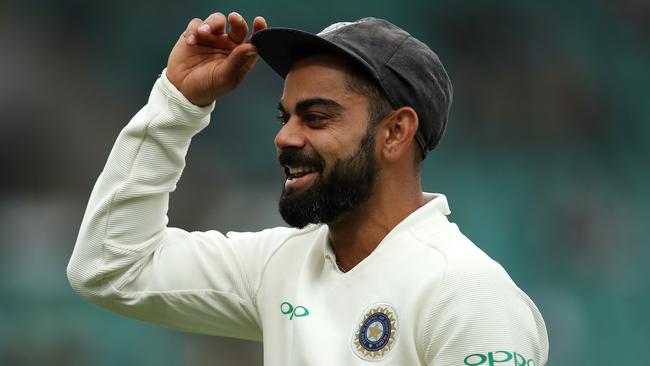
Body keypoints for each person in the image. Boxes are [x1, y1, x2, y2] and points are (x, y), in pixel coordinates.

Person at [67, 11, 548, 365]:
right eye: (286, 117)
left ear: (396, 132)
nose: (285, 137)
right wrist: (178, 103)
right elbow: (109, 267)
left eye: (316, 117)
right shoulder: (281, 264)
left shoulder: (467, 294)